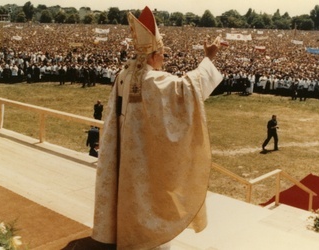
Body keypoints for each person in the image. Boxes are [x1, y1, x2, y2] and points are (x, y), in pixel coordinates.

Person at [92, 6, 223, 250]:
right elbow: (187, 90)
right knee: (149, 203)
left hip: (125, 153)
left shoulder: (125, 74)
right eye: (163, 54)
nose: (164, 58)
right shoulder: (153, 79)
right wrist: (209, 58)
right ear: (154, 54)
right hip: (146, 158)